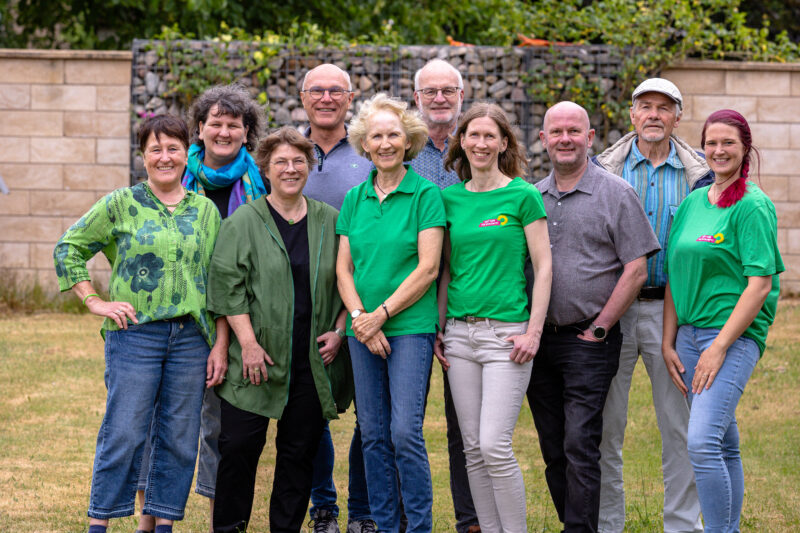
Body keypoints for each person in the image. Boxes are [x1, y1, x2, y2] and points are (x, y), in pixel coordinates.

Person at [54, 114, 225, 533]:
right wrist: (94, 300)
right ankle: (99, 524)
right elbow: (69, 248)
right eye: (155, 149)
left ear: (188, 155)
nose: (165, 157)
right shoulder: (120, 203)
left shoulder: (205, 212)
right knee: (124, 433)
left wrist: (219, 344)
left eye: (173, 149)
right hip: (135, 336)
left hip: (191, 339)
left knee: (179, 439)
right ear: (143, 155)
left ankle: (162, 526)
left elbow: (218, 283)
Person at [136, 82, 267, 533]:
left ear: (247, 132)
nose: (225, 131)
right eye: (216, 122)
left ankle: (217, 522)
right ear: (199, 129)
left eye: (235, 124)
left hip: (235, 319)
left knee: (219, 429)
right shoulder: (169, 178)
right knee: (159, 420)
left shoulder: (261, 187)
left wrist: (231, 332)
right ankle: (149, 521)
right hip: (174, 319)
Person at [207, 127, 351, 533]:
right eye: (281, 162)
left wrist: (340, 329)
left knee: (298, 454)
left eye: (299, 161)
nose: (291, 169)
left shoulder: (330, 220)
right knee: (238, 449)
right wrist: (248, 343)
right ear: (265, 169)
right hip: (255, 359)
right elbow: (225, 286)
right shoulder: (243, 221)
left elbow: (348, 280)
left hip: (310, 359)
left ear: (309, 167)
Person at [528, 101, 660, 533]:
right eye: (556, 132)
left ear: (590, 138)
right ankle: (576, 522)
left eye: (574, 131)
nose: (565, 139)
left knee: (580, 442)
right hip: (538, 342)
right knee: (552, 447)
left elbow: (636, 267)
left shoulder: (616, 193)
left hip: (590, 340)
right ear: (543, 139)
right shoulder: (532, 197)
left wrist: (600, 327)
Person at [594, 77, 710, 533]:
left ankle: (683, 525)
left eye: (665, 107)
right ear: (632, 115)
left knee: (681, 428)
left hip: (675, 314)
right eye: (646, 106)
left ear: (678, 117)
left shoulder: (699, 174)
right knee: (606, 428)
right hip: (615, 311)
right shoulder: (606, 169)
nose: (655, 115)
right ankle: (607, 525)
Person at [662, 109, 783, 533]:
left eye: (728, 142)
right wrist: (667, 340)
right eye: (711, 142)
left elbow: (759, 285)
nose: (718, 150)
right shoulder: (694, 202)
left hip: (730, 338)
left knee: (701, 442)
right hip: (689, 338)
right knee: (723, 443)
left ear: (744, 147)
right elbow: (677, 274)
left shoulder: (753, 205)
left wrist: (718, 348)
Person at [434, 103, 552, 532]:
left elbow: (544, 268)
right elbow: (446, 269)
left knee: (494, 446)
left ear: (504, 143)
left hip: (508, 335)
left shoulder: (523, 195)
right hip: (460, 335)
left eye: (490, 136)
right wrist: (440, 327)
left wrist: (533, 332)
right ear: (461, 142)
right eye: (473, 135)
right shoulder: (448, 199)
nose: (481, 143)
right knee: (471, 448)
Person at [336, 93, 444, 533]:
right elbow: (343, 268)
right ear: (364, 143)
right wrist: (361, 318)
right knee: (374, 435)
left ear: (408, 140)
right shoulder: (353, 198)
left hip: (410, 330)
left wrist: (380, 315)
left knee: (404, 434)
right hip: (361, 330)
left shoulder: (427, 194)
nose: (385, 143)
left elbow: (429, 267)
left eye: (393, 134)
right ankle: (384, 525)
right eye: (376, 135)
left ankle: (418, 527)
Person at [299, 63, 375, 533]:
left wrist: (353, 318)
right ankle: (323, 506)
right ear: (303, 96)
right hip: (305, 305)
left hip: (367, 303)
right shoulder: (287, 154)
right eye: (317, 90)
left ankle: (364, 511)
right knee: (310, 411)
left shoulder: (371, 152)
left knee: (371, 414)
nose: (326, 98)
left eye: (336, 91)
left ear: (351, 98)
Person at [410, 59, 480, 533]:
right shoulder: (402, 149)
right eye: (429, 91)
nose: (439, 99)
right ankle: (392, 516)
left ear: (461, 94)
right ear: (416, 98)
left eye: (447, 91)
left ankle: (472, 520)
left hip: (467, 301)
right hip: (408, 301)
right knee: (399, 421)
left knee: (466, 424)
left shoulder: (479, 146)